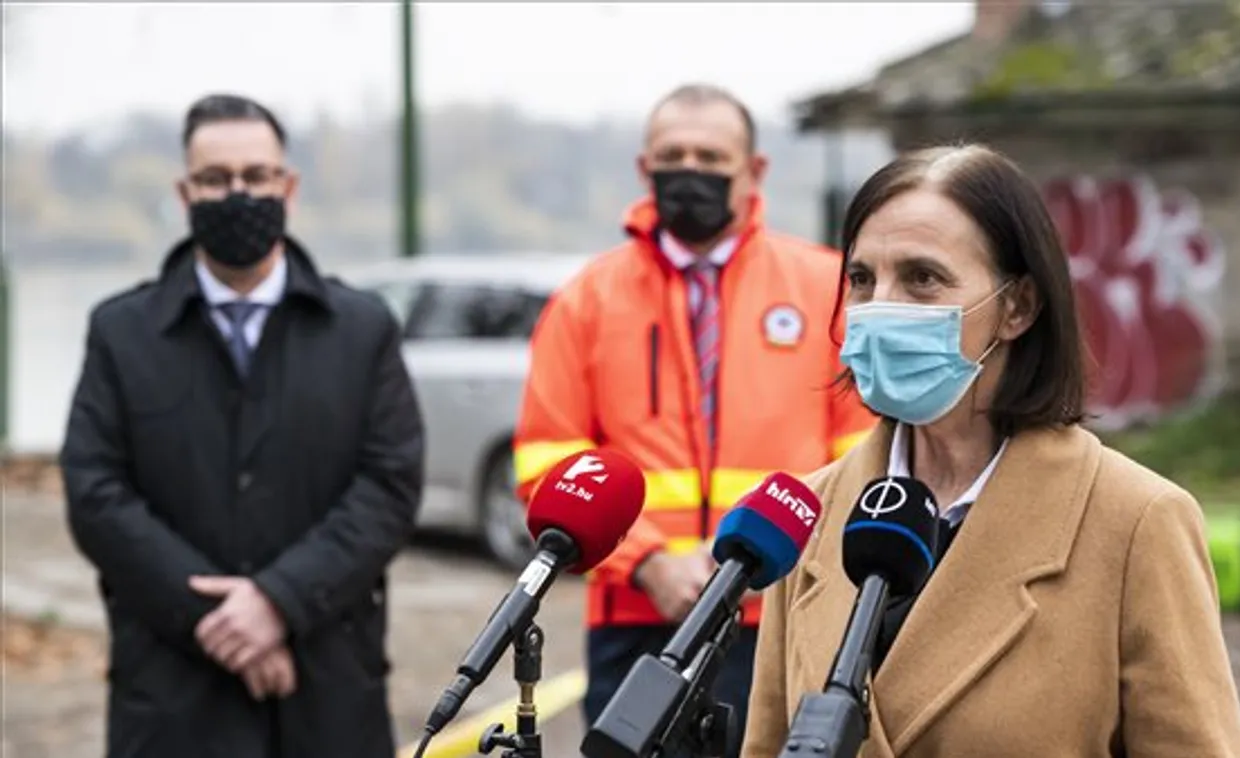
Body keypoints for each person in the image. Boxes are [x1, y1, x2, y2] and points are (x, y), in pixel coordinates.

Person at [742, 145, 1240, 757]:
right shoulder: (809, 513)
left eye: (922, 279)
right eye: (861, 279)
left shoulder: (1136, 522)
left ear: (1018, 307)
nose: (879, 308)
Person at [513, 83, 876, 756]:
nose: (690, 170)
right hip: (634, 615)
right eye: (672, 155)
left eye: (710, 157)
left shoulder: (826, 288)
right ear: (644, 167)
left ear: (754, 171)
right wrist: (648, 560)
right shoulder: (586, 300)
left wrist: (761, 562)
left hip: (782, 613)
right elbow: (547, 464)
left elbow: (865, 458)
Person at [60, 93, 425, 758]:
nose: (237, 194)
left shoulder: (362, 330)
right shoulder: (122, 333)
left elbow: (388, 486)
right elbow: (96, 493)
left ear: (288, 186)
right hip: (171, 698)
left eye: (256, 176)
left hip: (327, 697)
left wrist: (281, 601)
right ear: (184, 193)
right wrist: (223, 623)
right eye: (215, 178)